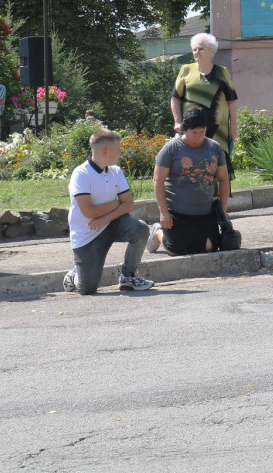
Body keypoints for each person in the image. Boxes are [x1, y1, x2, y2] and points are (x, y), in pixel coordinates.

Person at [61, 130, 154, 294]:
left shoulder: (116, 171)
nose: (120, 153)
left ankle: (128, 277)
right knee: (87, 289)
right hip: (88, 234)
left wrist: (106, 218)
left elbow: (129, 205)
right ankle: (75, 273)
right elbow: (88, 210)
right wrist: (115, 204)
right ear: (105, 151)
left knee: (139, 229)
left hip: (111, 224)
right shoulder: (81, 173)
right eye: (118, 149)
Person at [149, 108, 231, 256]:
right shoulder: (171, 149)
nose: (199, 136)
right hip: (177, 212)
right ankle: (157, 232)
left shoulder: (214, 148)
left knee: (210, 247)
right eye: (194, 132)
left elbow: (223, 179)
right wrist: (163, 212)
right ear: (185, 130)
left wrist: (223, 210)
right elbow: (158, 180)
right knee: (176, 249)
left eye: (202, 131)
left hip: (205, 212)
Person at [170, 33, 238, 186]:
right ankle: (198, 203)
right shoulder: (186, 70)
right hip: (191, 128)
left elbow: (232, 102)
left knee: (219, 166)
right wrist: (177, 121)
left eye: (200, 49)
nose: (196, 52)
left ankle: (220, 207)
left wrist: (233, 127)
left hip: (219, 131)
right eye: (194, 49)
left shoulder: (222, 72)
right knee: (193, 165)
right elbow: (175, 98)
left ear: (211, 51)